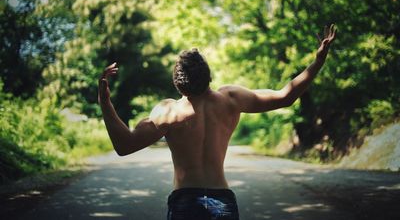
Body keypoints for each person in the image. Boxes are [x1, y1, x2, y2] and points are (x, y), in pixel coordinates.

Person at [98, 24, 337, 220]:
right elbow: (285, 96)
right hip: (221, 202)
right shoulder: (231, 99)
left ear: (178, 83)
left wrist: (105, 101)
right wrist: (317, 62)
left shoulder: (168, 112)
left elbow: (124, 145)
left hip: (184, 203)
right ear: (208, 77)